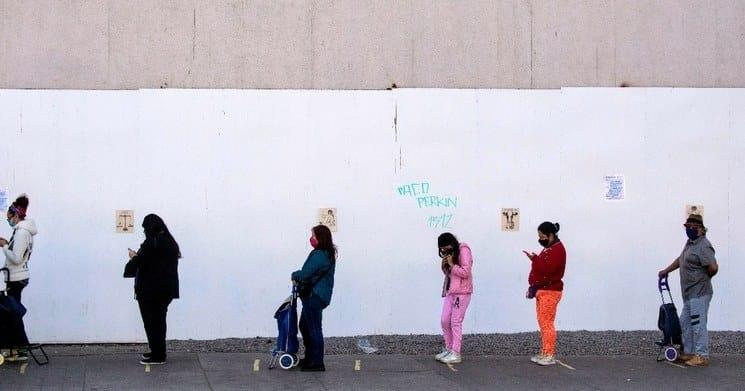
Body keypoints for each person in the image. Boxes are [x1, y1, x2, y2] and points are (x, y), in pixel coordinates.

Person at [658, 214, 718, 367]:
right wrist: (666, 270)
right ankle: (689, 352)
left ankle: (702, 355)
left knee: (698, 324)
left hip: (700, 292)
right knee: (685, 323)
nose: (690, 229)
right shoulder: (690, 243)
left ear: (701, 230)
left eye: (693, 227)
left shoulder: (704, 245)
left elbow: (713, 267)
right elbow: (681, 259)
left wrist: (703, 279)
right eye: (688, 227)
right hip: (689, 293)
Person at [124, 214, 180, 365]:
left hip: (150, 291)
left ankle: (158, 355)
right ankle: (157, 351)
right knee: (159, 322)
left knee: (151, 322)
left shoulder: (152, 243)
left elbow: (143, 263)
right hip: (165, 290)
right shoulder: (169, 242)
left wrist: (133, 256)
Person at [291, 225, 336, 372]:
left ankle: (316, 362)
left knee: (314, 328)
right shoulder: (327, 253)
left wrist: (294, 274)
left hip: (314, 296)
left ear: (320, 238)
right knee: (305, 326)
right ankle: (311, 357)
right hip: (319, 295)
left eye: (314, 236)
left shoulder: (319, 255)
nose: (311, 239)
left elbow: (305, 273)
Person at [523, 221, 566, 366]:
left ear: (551, 235)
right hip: (544, 291)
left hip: (550, 291)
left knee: (547, 323)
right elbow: (544, 266)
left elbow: (548, 269)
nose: (540, 239)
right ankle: (545, 351)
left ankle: (549, 354)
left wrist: (535, 259)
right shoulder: (550, 248)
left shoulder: (557, 250)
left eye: (542, 236)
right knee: (543, 322)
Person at [0, 194, 37, 362]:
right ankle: (17, 348)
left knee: (13, 313)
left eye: (9, 218)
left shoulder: (22, 233)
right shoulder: (22, 231)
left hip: (16, 277)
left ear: (16, 215)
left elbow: (15, 258)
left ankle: (20, 349)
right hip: (17, 276)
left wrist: (4, 245)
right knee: (13, 313)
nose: (9, 221)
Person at [435, 232, 473, 364]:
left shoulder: (463, 250)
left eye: (445, 248)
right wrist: (445, 266)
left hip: (462, 292)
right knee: (444, 320)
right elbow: (450, 274)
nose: (444, 251)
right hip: (451, 291)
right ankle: (449, 348)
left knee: (455, 321)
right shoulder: (450, 253)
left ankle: (456, 352)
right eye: (442, 249)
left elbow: (465, 272)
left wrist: (452, 264)